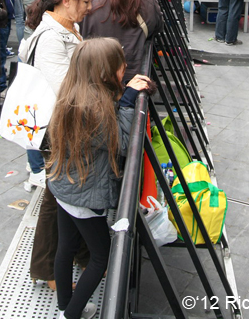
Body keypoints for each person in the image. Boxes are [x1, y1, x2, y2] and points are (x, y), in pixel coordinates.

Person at [48, 38, 154, 319]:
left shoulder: (74, 92)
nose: (126, 68)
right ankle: (70, 314)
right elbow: (120, 144)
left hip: (63, 186)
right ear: (106, 73)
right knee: (101, 257)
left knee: (66, 248)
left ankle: (63, 305)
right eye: (121, 65)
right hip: (84, 196)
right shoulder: (93, 108)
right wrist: (129, 100)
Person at [19, 0, 94, 286]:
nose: (90, 7)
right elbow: (67, 88)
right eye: (86, 1)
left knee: (66, 194)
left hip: (69, 125)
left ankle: (77, 255)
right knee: (57, 197)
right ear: (66, 0)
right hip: (58, 128)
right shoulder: (50, 37)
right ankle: (46, 268)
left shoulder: (69, 26)